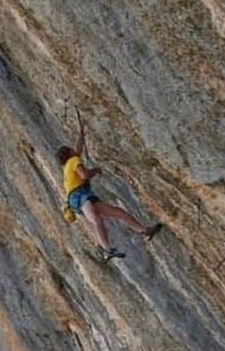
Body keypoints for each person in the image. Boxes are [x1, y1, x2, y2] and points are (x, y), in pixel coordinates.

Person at [57, 111, 161, 261]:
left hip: (79, 197)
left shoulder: (68, 164)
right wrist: (95, 170)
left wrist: (81, 134)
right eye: (72, 149)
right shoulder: (73, 162)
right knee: (97, 220)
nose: (75, 149)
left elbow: (78, 149)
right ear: (69, 153)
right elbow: (85, 175)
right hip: (79, 196)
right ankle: (107, 250)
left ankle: (145, 231)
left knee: (120, 213)